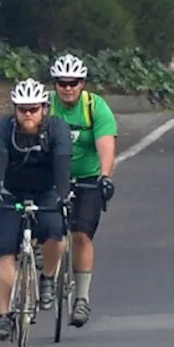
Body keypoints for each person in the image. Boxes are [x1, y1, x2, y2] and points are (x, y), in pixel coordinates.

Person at [0, 78, 73, 342]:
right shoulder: (4, 128)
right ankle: (4, 315)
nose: (28, 114)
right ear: (15, 109)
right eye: (22, 109)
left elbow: (61, 164)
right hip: (12, 192)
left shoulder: (57, 129)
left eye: (33, 109)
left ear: (44, 108)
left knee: (55, 232)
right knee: (4, 249)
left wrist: (63, 196)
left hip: (47, 191)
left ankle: (47, 276)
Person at [46, 53, 117, 327]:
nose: (67, 88)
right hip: (52, 179)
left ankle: (82, 299)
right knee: (49, 230)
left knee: (81, 235)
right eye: (62, 83)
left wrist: (105, 176)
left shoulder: (94, 107)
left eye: (73, 82)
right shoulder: (45, 106)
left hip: (87, 178)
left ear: (82, 83)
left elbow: (105, 144)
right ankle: (46, 274)